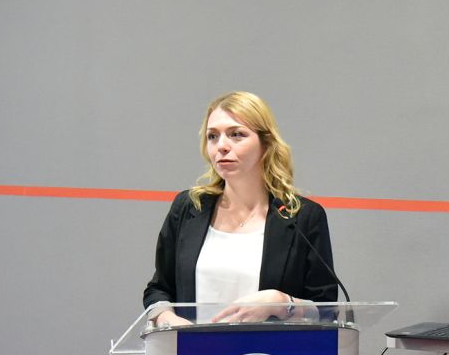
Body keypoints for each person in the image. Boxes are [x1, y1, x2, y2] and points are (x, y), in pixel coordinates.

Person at [142, 91, 338, 326]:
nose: (222, 146)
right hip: (193, 347)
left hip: (270, 350)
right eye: (213, 136)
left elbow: (327, 310)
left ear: (266, 144)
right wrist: (167, 320)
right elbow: (158, 289)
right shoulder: (188, 207)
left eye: (236, 135)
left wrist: (282, 302)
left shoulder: (302, 217)